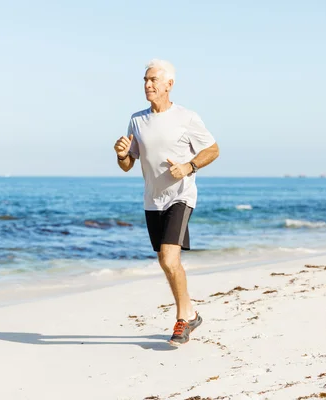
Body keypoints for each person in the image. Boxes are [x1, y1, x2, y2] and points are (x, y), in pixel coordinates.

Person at [114, 59, 220, 346]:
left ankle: (182, 319)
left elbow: (212, 149)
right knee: (167, 262)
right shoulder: (137, 119)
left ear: (169, 84)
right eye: (145, 80)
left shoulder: (186, 117)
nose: (148, 85)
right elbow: (128, 164)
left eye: (153, 80)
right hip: (153, 200)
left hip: (180, 196)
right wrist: (121, 153)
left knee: (168, 258)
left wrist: (189, 167)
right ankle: (191, 313)